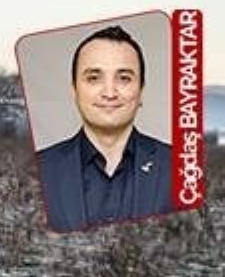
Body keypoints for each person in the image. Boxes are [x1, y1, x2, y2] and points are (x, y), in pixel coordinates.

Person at [37, 25, 173, 232]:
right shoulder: (38, 169)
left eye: (124, 78)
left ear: (141, 91)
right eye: (93, 78)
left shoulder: (182, 169)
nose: (109, 93)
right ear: (74, 90)